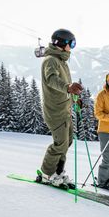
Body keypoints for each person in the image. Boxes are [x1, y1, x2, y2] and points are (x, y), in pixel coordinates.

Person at [37, 29, 83, 188]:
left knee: (67, 142)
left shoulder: (61, 61)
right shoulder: (50, 60)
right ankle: (45, 174)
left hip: (65, 109)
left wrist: (74, 99)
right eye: (72, 44)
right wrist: (68, 87)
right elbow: (52, 80)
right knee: (60, 144)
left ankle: (58, 172)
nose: (72, 47)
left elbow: (64, 88)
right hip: (55, 111)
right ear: (62, 44)